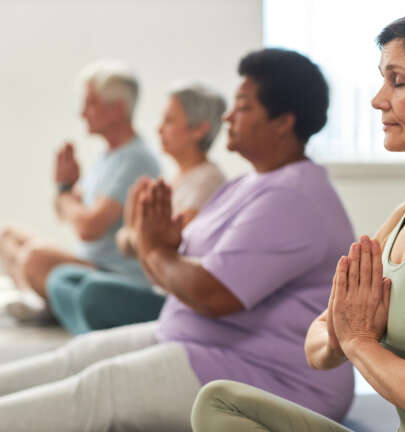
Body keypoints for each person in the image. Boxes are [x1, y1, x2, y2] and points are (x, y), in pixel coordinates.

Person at [191, 7, 405, 432]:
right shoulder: (404, 217)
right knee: (221, 402)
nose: (378, 99)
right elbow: (317, 346)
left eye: (398, 81)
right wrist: (343, 333)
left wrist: (357, 342)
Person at [0, 48, 355, 432]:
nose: (227, 117)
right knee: (79, 356)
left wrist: (153, 248)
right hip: (204, 340)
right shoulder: (247, 184)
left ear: (284, 121)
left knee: (100, 390)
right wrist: (161, 245)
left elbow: (210, 294)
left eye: (243, 107)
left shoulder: (292, 197)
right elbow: (180, 264)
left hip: (276, 379)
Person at [46, 83, 227, 334]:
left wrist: (137, 232)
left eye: (169, 120)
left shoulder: (207, 182)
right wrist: (134, 224)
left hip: (171, 297)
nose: (158, 127)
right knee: (61, 278)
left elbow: (170, 248)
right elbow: (133, 241)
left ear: (198, 130)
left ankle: (91, 338)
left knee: (93, 292)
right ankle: (91, 338)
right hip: (151, 283)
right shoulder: (174, 180)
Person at [0, 60, 161, 318]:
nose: (82, 113)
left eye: (90, 103)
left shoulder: (137, 159)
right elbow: (66, 213)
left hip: (113, 276)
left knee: (35, 256)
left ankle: (44, 304)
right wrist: (65, 186)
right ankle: (39, 301)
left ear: (117, 109)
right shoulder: (107, 157)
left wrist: (65, 194)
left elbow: (88, 228)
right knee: (7, 236)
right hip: (87, 262)